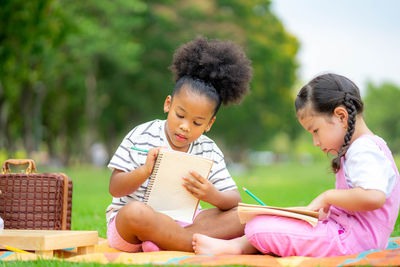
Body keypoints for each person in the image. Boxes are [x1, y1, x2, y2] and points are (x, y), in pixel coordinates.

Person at [192, 73, 400, 257]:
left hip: (352, 242)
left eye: (315, 131)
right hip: (345, 232)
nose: (315, 142)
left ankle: (236, 248)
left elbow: (374, 196)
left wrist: (327, 197)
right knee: (269, 219)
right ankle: (236, 245)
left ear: (341, 116)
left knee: (258, 227)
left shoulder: (363, 150)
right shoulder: (361, 148)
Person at [106, 36, 253, 252]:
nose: (185, 126)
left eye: (197, 122)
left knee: (246, 214)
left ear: (209, 124)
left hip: (186, 223)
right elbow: (115, 188)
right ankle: (186, 243)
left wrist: (211, 194)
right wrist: (144, 171)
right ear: (168, 104)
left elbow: (233, 199)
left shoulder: (209, 149)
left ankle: (166, 242)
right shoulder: (141, 135)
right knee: (135, 212)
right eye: (180, 115)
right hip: (133, 228)